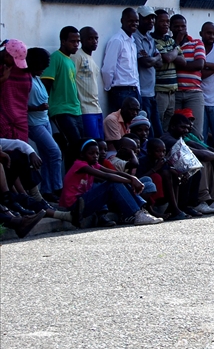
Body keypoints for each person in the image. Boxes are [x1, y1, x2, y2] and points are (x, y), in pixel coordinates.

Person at [60, 138, 162, 226]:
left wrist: (132, 178)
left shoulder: (93, 164)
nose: (95, 156)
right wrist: (130, 181)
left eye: (97, 153)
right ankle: (136, 214)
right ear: (82, 155)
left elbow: (114, 172)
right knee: (113, 183)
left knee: (118, 179)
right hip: (75, 207)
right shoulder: (80, 165)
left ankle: (140, 211)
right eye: (91, 153)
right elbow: (107, 176)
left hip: (83, 202)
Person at [26, 47, 63, 196]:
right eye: (42, 66)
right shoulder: (27, 79)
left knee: (47, 155)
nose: (45, 69)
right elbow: (20, 105)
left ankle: (47, 189)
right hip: (34, 123)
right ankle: (57, 187)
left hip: (44, 120)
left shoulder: (36, 78)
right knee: (55, 152)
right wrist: (37, 108)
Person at [41, 27, 85, 149]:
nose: (76, 44)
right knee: (73, 145)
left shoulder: (70, 61)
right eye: (72, 41)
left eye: (78, 41)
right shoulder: (56, 57)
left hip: (75, 110)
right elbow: (46, 83)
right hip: (61, 110)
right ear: (63, 41)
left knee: (81, 147)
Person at [170, 14, 206, 137]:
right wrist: (176, 45)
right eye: (176, 27)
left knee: (195, 131)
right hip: (175, 92)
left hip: (194, 92)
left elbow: (199, 65)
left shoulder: (196, 43)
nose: (180, 29)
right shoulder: (168, 44)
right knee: (175, 130)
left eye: (183, 26)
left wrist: (177, 61)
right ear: (171, 28)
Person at [101, 8, 141, 113]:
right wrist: (109, 88)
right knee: (121, 124)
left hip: (134, 90)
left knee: (134, 126)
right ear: (122, 21)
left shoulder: (132, 41)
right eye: (130, 21)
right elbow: (108, 69)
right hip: (121, 91)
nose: (134, 23)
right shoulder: (117, 40)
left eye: (136, 21)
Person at [132, 6, 163, 136]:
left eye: (152, 18)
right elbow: (145, 62)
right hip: (142, 93)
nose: (151, 21)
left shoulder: (150, 38)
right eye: (147, 18)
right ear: (139, 19)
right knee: (148, 133)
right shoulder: (135, 37)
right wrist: (154, 58)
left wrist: (153, 58)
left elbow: (160, 63)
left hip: (151, 92)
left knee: (158, 131)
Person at [73, 27, 106, 140]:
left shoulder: (91, 58)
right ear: (81, 40)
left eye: (96, 38)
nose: (94, 41)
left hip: (96, 108)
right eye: (90, 39)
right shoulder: (77, 56)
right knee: (92, 142)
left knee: (100, 143)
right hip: (84, 109)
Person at [152, 10, 180, 132]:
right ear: (155, 22)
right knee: (158, 123)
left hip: (172, 91)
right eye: (162, 21)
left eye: (167, 21)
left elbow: (182, 61)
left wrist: (172, 53)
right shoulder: (152, 40)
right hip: (160, 91)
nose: (165, 24)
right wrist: (176, 50)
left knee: (168, 125)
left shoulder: (170, 40)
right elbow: (168, 58)